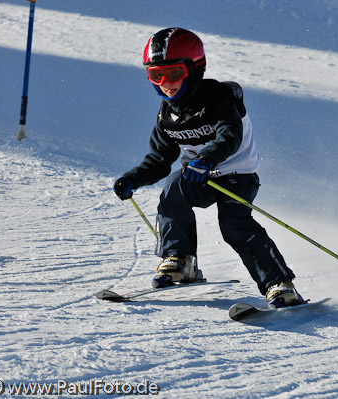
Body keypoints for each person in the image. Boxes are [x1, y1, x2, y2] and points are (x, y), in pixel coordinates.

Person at [113, 27, 303, 308]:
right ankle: (181, 260)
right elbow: (159, 159)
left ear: (195, 68)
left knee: (234, 225)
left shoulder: (218, 97)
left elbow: (229, 135)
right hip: (198, 176)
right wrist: (133, 178)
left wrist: (207, 159)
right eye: (157, 75)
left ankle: (279, 284)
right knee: (173, 192)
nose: (166, 83)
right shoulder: (167, 114)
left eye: (174, 73)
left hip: (237, 175)